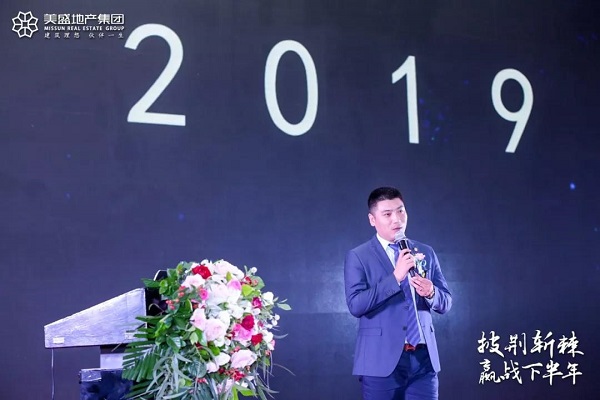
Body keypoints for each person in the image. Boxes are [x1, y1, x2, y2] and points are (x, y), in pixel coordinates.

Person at [344, 186, 452, 400]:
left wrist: (431, 292)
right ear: (372, 219)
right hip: (380, 361)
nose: (397, 219)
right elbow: (356, 305)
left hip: (423, 360)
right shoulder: (358, 256)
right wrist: (395, 277)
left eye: (401, 211)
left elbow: (446, 302)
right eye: (387, 214)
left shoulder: (425, 252)